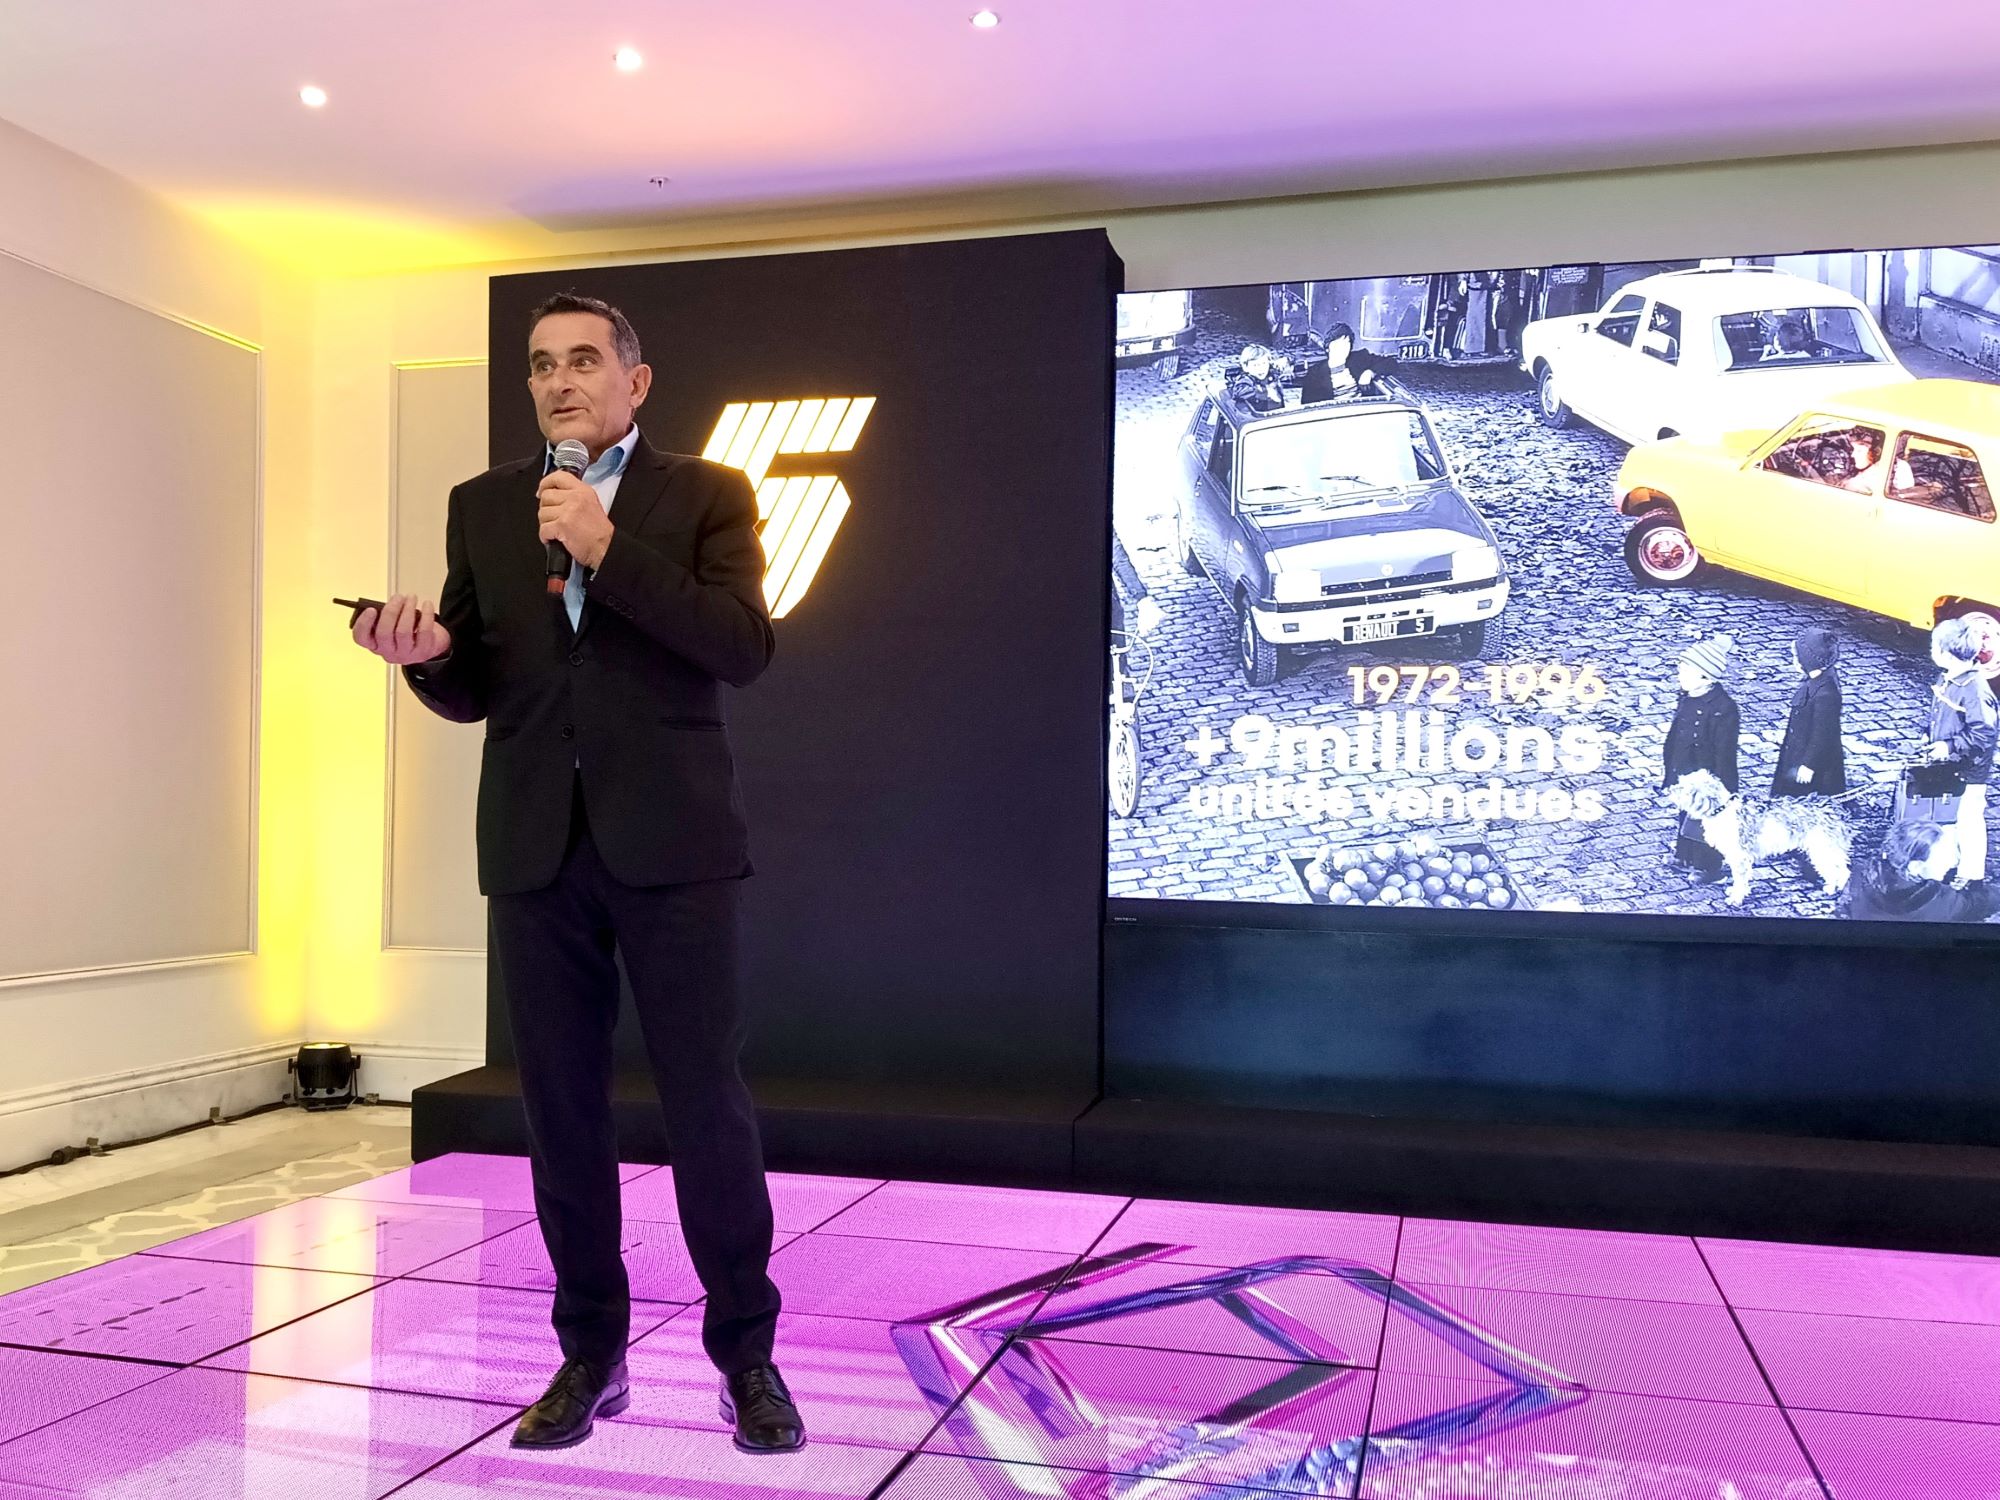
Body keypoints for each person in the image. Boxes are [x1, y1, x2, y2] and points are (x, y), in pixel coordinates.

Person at [350, 293, 803, 1455]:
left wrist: (609, 550)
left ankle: (745, 1355)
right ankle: (590, 1352)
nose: (559, 381)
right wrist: (425, 657)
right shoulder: (483, 505)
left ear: (634, 382)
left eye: (584, 360)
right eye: (541, 364)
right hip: (534, 846)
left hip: (675, 846)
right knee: (559, 1109)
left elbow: (741, 647)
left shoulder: (707, 494)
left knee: (704, 1101)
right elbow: (476, 683)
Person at [1924, 616, 1999, 891]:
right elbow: (1938, 713)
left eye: (1934, 647)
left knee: (1968, 819)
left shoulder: (1975, 690)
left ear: (1946, 654)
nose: (1931, 651)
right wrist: (1929, 734)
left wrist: (1949, 746)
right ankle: (1950, 862)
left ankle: (1972, 874)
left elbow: (1984, 734)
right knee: (1949, 816)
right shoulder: (1948, 677)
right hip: (1950, 765)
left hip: (1970, 770)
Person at [1662, 634, 1740, 880]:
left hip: (1708, 774)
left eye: (1686, 671)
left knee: (1707, 819)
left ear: (1706, 677)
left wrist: (1722, 786)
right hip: (1683, 767)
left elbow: (1724, 753)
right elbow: (1677, 733)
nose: (1679, 675)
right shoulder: (1686, 696)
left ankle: (1707, 865)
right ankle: (1684, 855)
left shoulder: (1723, 709)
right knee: (1685, 812)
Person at [1849, 821, 1995, 921]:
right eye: (1943, 857)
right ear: (1915, 867)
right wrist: (1974, 882)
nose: (1953, 862)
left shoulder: (1859, 876)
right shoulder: (1942, 906)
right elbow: (1982, 903)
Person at [1772, 627, 1846, 797]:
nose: (1794, 660)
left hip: (1811, 764)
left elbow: (1823, 733)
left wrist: (1809, 764)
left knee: (1803, 796)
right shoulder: (1817, 679)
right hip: (1799, 748)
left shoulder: (1826, 695)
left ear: (1806, 661)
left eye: (1796, 656)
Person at [1300, 323, 1386, 403]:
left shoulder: (1359, 358)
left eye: (1347, 343)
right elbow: (1308, 405)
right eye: (1338, 344)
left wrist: (1370, 373)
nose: (1343, 348)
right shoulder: (1315, 374)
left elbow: (1389, 362)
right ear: (1328, 347)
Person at [1225, 344, 1285, 411]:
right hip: (1252, 416)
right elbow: (1241, 392)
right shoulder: (1245, 381)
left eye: (1264, 363)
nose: (1261, 368)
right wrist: (1266, 392)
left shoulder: (1272, 376)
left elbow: (1287, 374)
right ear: (1245, 367)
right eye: (1255, 365)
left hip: (1276, 413)